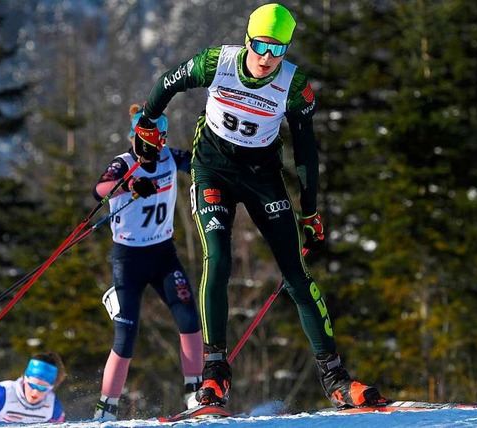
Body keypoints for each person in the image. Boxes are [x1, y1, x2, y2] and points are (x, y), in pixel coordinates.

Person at [134, 3, 386, 409]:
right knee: (218, 260)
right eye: (262, 46)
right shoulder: (218, 62)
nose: (268, 58)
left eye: (278, 49)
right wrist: (148, 120)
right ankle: (214, 375)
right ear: (249, 39)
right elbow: (167, 82)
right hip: (212, 169)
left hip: (262, 176)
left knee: (295, 273)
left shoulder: (294, 84)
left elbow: (306, 150)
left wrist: (311, 210)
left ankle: (335, 378)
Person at [92, 104, 204, 421]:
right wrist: (128, 184)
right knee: (126, 336)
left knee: (188, 317)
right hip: (128, 258)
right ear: (135, 137)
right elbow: (99, 189)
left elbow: (200, 164)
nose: (157, 144)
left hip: (163, 253)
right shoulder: (123, 163)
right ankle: (106, 407)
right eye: (150, 137)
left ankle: (196, 393)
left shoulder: (169, 157)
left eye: (161, 137)